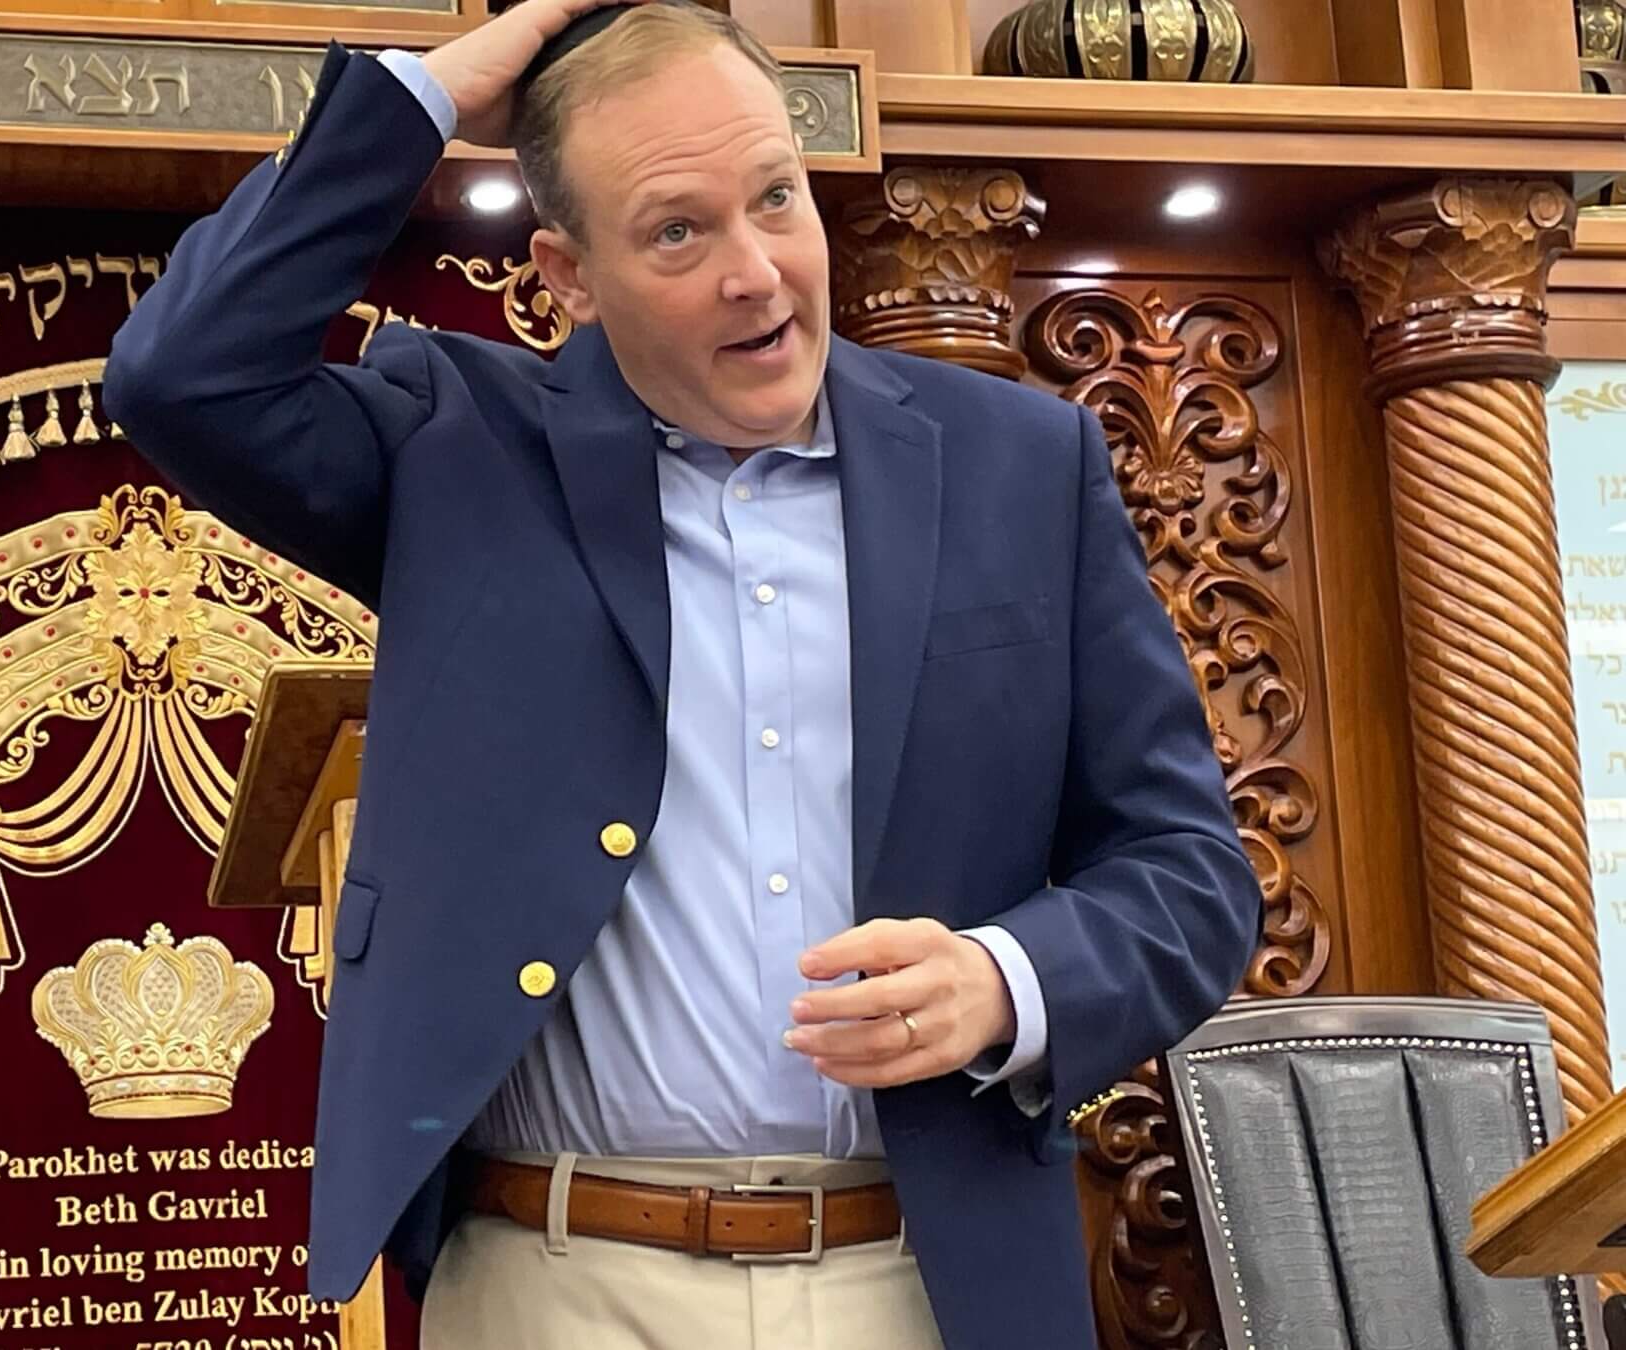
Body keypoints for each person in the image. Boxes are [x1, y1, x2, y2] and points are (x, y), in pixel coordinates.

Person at [104, 1, 1262, 1344]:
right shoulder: (459, 450)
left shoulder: (1020, 467)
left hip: (922, 1279)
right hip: (559, 1277)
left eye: (775, 198)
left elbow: (1189, 871)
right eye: (676, 230)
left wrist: (1007, 978)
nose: (758, 274)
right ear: (567, 273)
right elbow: (182, 376)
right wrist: (416, 101)